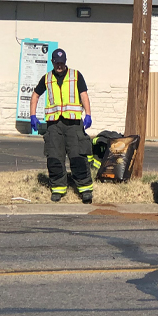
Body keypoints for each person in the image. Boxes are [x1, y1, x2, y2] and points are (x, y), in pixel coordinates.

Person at [28, 48, 95, 203]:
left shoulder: (76, 75)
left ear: (65, 62)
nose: (59, 65)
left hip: (73, 124)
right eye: (57, 62)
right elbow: (36, 95)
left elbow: (84, 94)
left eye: (62, 62)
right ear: (52, 62)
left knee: (78, 156)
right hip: (54, 125)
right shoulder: (47, 78)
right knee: (54, 158)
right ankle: (58, 188)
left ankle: (85, 189)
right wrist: (33, 115)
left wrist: (88, 114)